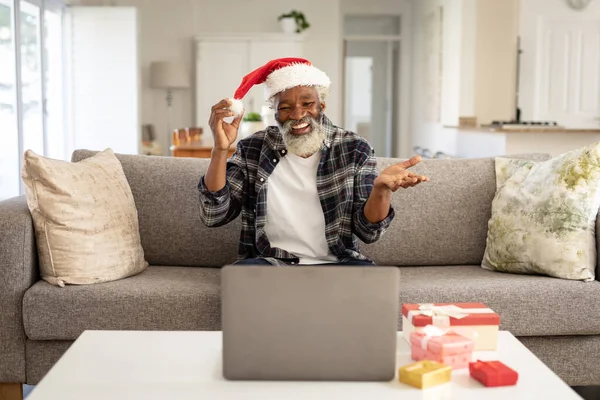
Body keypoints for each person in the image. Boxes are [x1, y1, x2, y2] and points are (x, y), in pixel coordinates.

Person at [198, 58, 428, 266]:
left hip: (338, 262)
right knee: (241, 281)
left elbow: (369, 233)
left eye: (307, 104)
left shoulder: (354, 148)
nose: (297, 115)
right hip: (269, 262)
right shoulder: (254, 148)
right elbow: (213, 215)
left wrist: (381, 190)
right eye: (285, 108)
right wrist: (220, 149)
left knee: (372, 289)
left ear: (321, 106)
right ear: (275, 113)